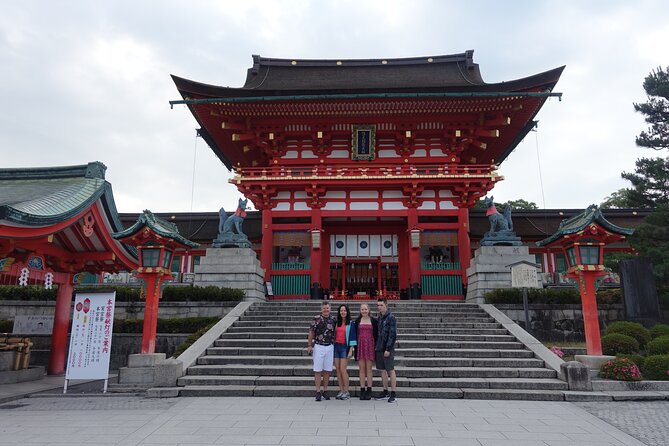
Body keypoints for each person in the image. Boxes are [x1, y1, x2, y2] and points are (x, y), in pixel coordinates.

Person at [307, 301, 336, 401]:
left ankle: (325, 390)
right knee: (318, 370)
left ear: (330, 309)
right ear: (321, 309)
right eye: (324, 308)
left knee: (327, 370)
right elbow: (311, 332)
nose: (326, 310)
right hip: (319, 346)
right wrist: (309, 345)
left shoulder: (333, 319)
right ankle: (318, 391)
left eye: (327, 308)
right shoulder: (316, 319)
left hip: (330, 346)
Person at [374, 298, 397, 403]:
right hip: (379, 347)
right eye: (378, 305)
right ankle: (385, 390)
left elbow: (392, 334)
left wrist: (388, 348)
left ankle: (393, 392)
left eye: (381, 305)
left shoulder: (391, 317)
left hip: (387, 348)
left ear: (386, 305)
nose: (379, 307)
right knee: (382, 370)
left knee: (390, 370)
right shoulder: (379, 318)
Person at [353, 303, 377, 400]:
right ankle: (362, 389)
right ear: (360, 311)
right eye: (362, 309)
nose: (364, 311)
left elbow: (376, 334)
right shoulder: (357, 321)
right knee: (362, 369)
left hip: (370, 346)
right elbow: (354, 334)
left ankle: (369, 389)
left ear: (369, 310)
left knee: (369, 369)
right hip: (361, 346)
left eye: (365, 309)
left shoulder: (374, 321)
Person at [333, 304, 357, 400]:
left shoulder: (351, 324)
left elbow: (352, 337)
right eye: (341, 311)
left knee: (343, 369)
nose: (343, 312)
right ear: (339, 312)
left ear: (347, 312)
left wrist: (351, 350)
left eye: (344, 310)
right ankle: (341, 390)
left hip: (344, 347)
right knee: (338, 369)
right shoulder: (336, 323)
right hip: (336, 347)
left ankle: (346, 391)